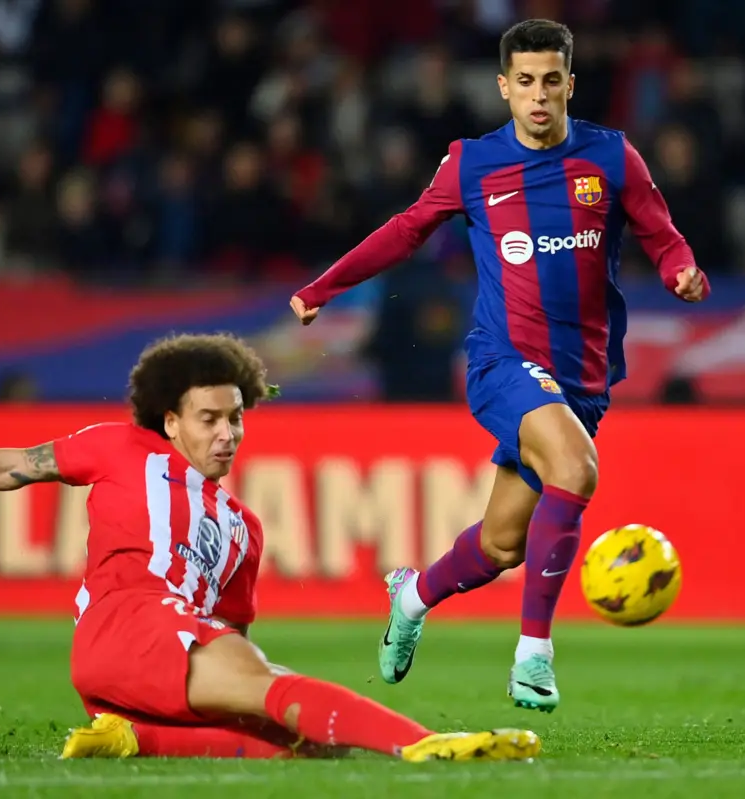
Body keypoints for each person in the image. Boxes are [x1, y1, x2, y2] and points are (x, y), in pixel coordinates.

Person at [0, 333, 541, 763]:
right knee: (265, 679)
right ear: (170, 421)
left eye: (236, 417)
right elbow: (12, 464)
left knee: (299, 739)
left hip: (154, 658)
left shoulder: (243, 529)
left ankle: (134, 737)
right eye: (210, 418)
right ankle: (422, 742)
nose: (228, 432)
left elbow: (229, 631)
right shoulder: (118, 447)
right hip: (127, 622)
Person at [290, 19, 710, 713]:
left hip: (584, 377)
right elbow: (406, 229)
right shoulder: (473, 164)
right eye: (525, 83)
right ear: (503, 88)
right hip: (501, 361)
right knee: (575, 471)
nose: (538, 96)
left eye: (551, 81)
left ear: (570, 84)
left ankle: (414, 594)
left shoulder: (613, 158)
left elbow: (662, 236)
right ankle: (533, 657)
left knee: (501, 542)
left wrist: (681, 270)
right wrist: (323, 287)